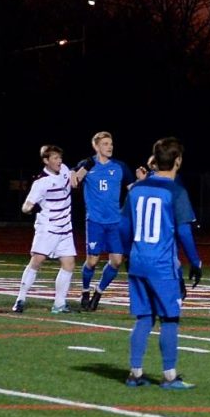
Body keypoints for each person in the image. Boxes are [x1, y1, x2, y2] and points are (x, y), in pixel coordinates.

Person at [118, 137, 202, 389]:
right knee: (170, 319)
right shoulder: (175, 191)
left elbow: (123, 226)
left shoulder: (137, 189)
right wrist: (195, 262)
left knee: (144, 318)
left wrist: (125, 254)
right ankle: (169, 376)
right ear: (178, 161)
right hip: (162, 265)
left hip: (137, 260)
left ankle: (135, 373)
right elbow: (184, 232)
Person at [72, 131, 139, 312]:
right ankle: (85, 290)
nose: (109, 147)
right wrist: (85, 167)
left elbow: (133, 190)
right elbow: (73, 182)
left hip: (114, 222)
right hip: (95, 221)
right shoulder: (86, 164)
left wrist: (142, 182)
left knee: (116, 261)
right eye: (105, 144)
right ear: (96, 146)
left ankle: (98, 292)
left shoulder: (120, 167)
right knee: (92, 262)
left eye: (111, 143)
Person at [12, 145, 78, 314]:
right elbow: (26, 206)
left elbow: (71, 174)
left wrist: (73, 172)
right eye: (55, 158)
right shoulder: (41, 182)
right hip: (48, 227)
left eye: (59, 158)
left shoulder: (64, 169)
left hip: (65, 227)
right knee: (37, 261)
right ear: (46, 161)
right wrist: (28, 207)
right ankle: (20, 298)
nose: (59, 161)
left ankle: (59, 304)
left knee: (69, 264)